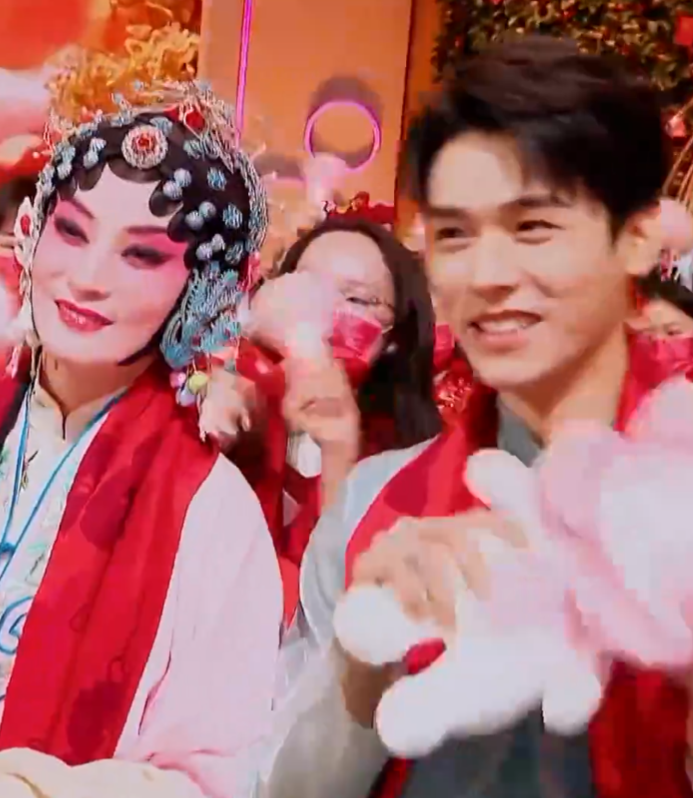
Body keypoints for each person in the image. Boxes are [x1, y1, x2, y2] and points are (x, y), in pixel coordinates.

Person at [258, 35, 691, 798]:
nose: (487, 276)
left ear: (635, 238)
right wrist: (362, 666)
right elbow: (285, 789)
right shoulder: (378, 508)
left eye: (533, 228)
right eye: (455, 235)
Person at [0, 29, 282, 798]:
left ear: (201, 288)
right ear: (33, 234)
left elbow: (211, 778)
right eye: (72, 231)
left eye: (142, 254)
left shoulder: (213, 514)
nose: (88, 278)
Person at [203, 217, 440, 580]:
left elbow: (343, 588)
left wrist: (339, 451)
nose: (320, 308)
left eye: (356, 298)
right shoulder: (236, 393)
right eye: (305, 287)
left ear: (395, 338)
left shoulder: (415, 461)